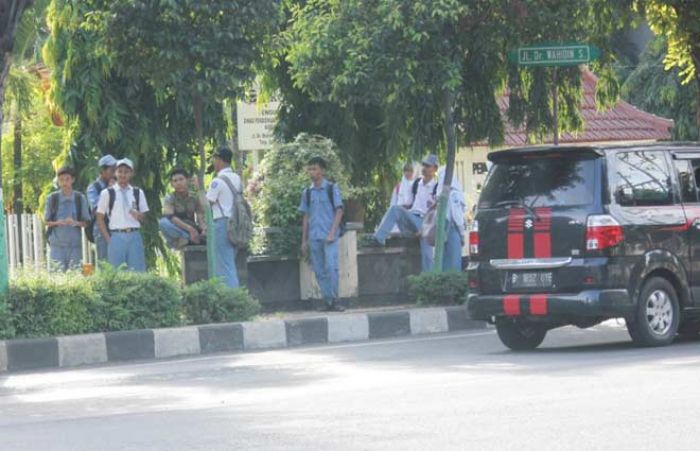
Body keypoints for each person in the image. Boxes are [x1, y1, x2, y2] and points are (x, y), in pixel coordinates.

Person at [373, 154, 439, 272]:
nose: (425, 168)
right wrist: (401, 209)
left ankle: (427, 280)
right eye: (424, 165)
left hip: (426, 222)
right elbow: (410, 204)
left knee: (427, 255)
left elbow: (435, 213)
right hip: (412, 218)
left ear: (435, 169)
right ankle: (378, 239)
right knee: (395, 209)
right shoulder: (416, 184)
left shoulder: (436, 187)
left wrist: (423, 229)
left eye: (428, 166)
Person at [299, 156, 345, 312]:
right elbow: (306, 216)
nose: (312, 171)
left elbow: (339, 210)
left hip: (329, 236)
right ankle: (328, 301)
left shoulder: (332, 188)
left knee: (331, 267)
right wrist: (304, 240)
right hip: (314, 237)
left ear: (322, 171)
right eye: (310, 168)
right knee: (319, 270)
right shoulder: (307, 192)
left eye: (315, 168)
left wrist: (332, 232)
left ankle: (336, 298)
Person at [95, 158, 149, 271]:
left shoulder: (137, 192)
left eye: (126, 171)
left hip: (134, 235)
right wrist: (108, 238)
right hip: (116, 236)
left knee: (137, 273)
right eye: (120, 171)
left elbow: (145, 217)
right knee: (117, 273)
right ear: (115, 173)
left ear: (131, 173)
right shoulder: (107, 193)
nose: (123, 174)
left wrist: (139, 216)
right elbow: (99, 216)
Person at [206, 147, 242, 288]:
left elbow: (207, 203)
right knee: (229, 261)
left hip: (221, 223)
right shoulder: (237, 178)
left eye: (214, 159)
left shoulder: (218, 181)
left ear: (219, 160)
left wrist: (199, 189)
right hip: (235, 222)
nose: (214, 163)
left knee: (224, 263)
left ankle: (232, 298)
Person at [44, 166, 91, 271]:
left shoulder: (80, 198)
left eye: (67, 179)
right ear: (58, 181)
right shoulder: (52, 198)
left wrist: (75, 223)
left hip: (75, 246)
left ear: (73, 180)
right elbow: (46, 221)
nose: (64, 182)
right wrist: (57, 222)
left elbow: (86, 222)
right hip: (56, 245)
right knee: (56, 277)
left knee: (75, 276)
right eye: (61, 180)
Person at [159, 168, 207, 250]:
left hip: (192, 228)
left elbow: (201, 217)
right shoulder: (170, 198)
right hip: (179, 229)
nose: (178, 183)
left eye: (181, 179)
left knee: (212, 228)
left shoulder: (194, 197)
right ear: (171, 184)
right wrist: (190, 229)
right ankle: (188, 239)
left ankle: (190, 239)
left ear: (187, 180)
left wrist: (204, 229)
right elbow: (171, 218)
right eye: (175, 181)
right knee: (162, 222)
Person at [87, 154, 117, 260]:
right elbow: (96, 209)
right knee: (105, 262)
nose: (114, 173)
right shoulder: (93, 188)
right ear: (102, 170)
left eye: (115, 169)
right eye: (111, 170)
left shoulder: (118, 185)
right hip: (101, 228)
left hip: (117, 228)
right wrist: (108, 190)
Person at [436, 168, 467, 272]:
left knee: (444, 262)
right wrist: (462, 234)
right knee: (454, 263)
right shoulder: (454, 194)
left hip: (442, 231)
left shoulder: (440, 196)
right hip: (452, 230)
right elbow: (457, 216)